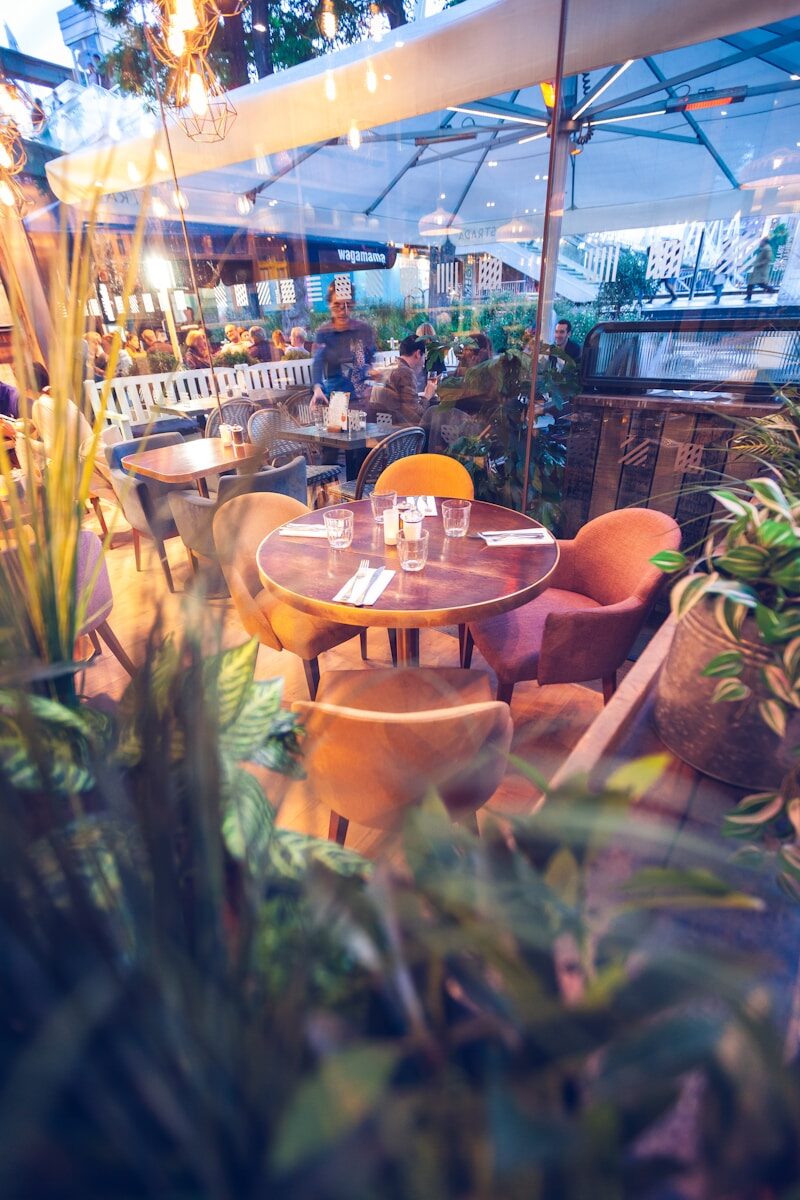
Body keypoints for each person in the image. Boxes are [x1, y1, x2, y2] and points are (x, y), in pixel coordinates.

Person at [311, 282, 377, 405]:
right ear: (329, 305)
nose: (342, 311)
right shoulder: (324, 333)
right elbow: (317, 363)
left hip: (361, 398)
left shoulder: (363, 329)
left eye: (347, 305)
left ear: (353, 305)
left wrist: (372, 372)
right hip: (336, 398)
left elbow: (369, 360)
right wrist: (317, 388)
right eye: (337, 305)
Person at [373, 335, 437, 425]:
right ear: (418, 354)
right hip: (401, 434)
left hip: (383, 430)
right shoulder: (406, 372)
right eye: (424, 357)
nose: (424, 363)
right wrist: (427, 396)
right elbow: (415, 417)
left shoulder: (388, 368)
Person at [746, 238, 776, 302]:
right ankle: (748, 297)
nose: (760, 243)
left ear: (764, 242)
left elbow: (768, 259)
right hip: (758, 270)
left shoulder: (767, 249)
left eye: (761, 242)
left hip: (761, 270)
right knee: (752, 283)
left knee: (759, 284)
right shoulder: (765, 248)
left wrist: (759, 264)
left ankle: (771, 290)